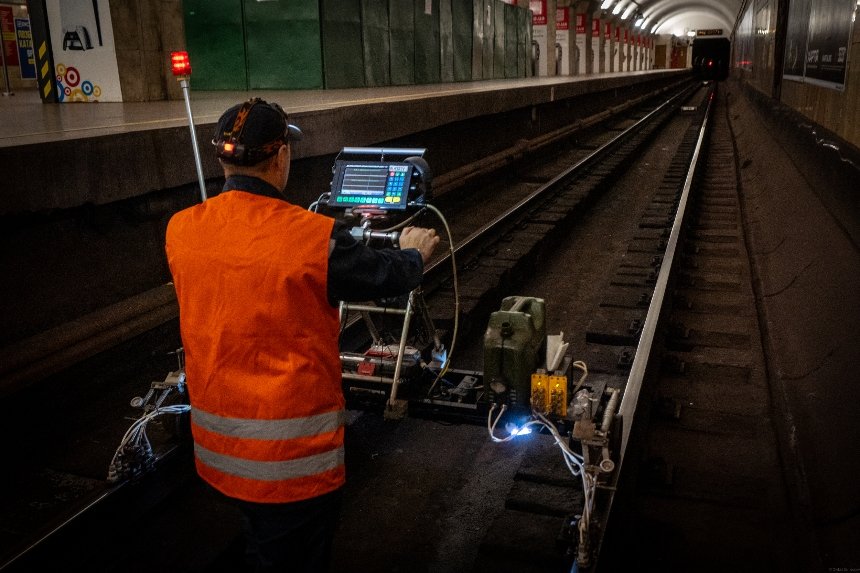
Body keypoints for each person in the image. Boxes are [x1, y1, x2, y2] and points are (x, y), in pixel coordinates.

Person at [165, 98, 439, 572]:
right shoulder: (311, 237)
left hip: (219, 453)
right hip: (290, 465)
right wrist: (414, 255)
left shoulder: (181, 230)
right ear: (281, 157)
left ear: (222, 157)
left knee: (262, 546)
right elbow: (379, 275)